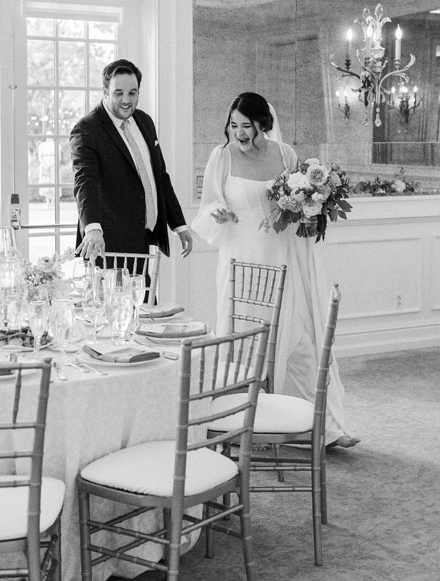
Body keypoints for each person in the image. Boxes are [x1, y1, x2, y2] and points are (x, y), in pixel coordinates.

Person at [191, 92, 359, 448]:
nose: (239, 132)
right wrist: (218, 214)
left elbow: (301, 205)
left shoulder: (285, 154)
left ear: (262, 124)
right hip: (240, 258)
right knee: (242, 338)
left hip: (282, 255)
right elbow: (206, 208)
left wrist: (313, 207)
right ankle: (237, 425)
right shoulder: (221, 156)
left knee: (296, 337)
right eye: (233, 125)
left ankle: (324, 427)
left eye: (246, 125)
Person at [69, 58, 193, 263]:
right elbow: (85, 181)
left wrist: (179, 225)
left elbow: (160, 176)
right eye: (118, 93)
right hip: (106, 243)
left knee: (143, 286)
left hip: (142, 237)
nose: (126, 100)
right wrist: (91, 228)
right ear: (105, 91)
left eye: (132, 93)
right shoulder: (87, 129)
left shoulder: (145, 121)